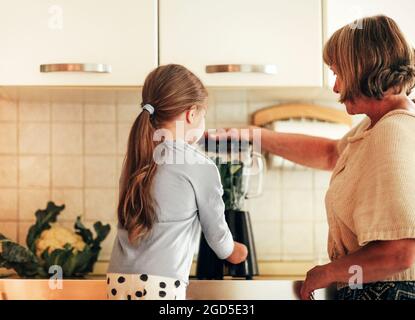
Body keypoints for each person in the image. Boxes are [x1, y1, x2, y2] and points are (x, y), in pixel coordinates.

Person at [213, 15, 415, 300]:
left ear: (362, 68)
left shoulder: (393, 132)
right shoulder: (378, 125)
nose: (335, 87)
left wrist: (328, 272)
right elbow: (331, 153)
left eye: (338, 73)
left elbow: (400, 254)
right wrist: (253, 135)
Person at [107, 64, 248, 300]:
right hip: (161, 285)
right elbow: (217, 234)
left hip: (117, 281)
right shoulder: (200, 165)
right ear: (191, 114)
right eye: (203, 116)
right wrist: (234, 251)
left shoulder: (136, 158)